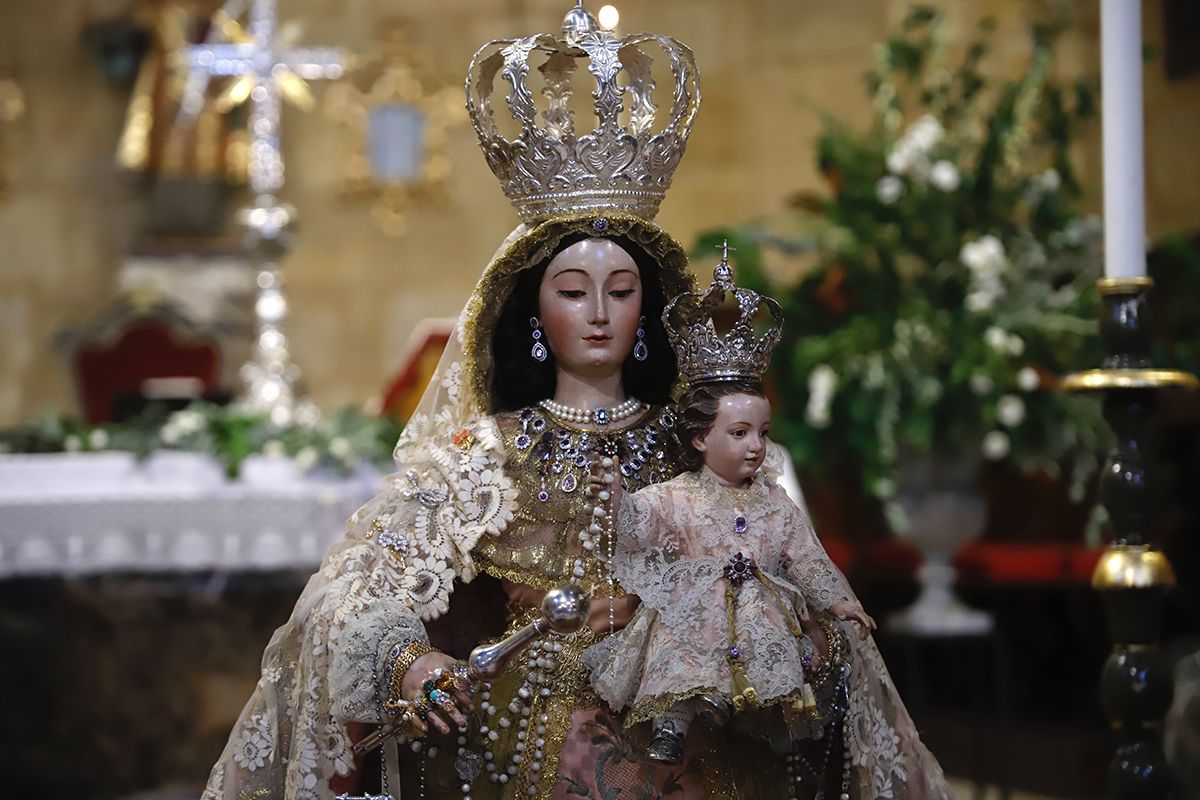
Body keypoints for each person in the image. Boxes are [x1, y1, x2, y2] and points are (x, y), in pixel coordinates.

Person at [202, 5, 953, 799]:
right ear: (534, 311)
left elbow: (787, 573)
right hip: (523, 740)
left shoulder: (696, 445)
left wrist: (804, 635)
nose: (598, 312)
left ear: (648, 309)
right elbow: (352, 594)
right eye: (572, 290)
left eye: (620, 290)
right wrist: (406, 657)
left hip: (696, 733)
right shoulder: (481, 457)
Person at [586, 258, 950, 799]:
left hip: (760, 606)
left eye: (761, 432)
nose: (756, 445)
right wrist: (617, 499)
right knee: (681, 641)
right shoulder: (676, 496)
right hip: (694, 609)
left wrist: (835, 602)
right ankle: (675, 719)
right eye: (738, 432)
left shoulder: (775, 506)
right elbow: (639, 527)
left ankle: (773, 714)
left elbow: (805, 558)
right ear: (699, 439)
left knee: (776, 645)